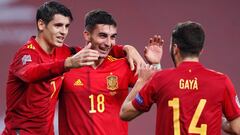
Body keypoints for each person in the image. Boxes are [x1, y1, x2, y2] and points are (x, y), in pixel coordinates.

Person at [1, 1, 145, 135]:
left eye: (66, 26)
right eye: (58, 26)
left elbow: (96, 48)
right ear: (41, 24)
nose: (64, 32)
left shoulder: (63, 52)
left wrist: (127, 49)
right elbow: (31, 74)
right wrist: (67, 64)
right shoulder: (26, 53)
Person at [120, 21, 240, 135]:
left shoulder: (160, 79)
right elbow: (237, 128)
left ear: (175, 48)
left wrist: (142, 80)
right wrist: (221, 121)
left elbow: (125, 113)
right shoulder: (221, 81)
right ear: (201, 50)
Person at [58, 9, 163, 135]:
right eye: (102, 36)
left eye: (112, 37)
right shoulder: (66, 66)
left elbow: (159, 90)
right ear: (87, 35)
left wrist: (155, 64)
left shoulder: (124, 65)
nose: (108, 43)